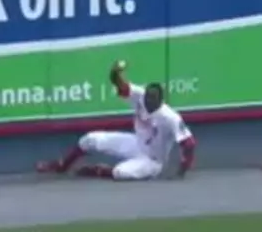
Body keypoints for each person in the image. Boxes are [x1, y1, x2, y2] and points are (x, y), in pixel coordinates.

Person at [36, 60, 197, 180]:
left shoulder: (170, 117)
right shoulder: (140, 96)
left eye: (153, 98)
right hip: (136, 144)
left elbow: (188, 143)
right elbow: (120, 84)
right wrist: (116, 71)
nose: (148, 100)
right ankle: (62, 166)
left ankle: (99, 171)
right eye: (148, 96)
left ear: (161, 100)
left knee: (121, 173)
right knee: (90, 139)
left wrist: (183, 167)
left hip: (153, 161)